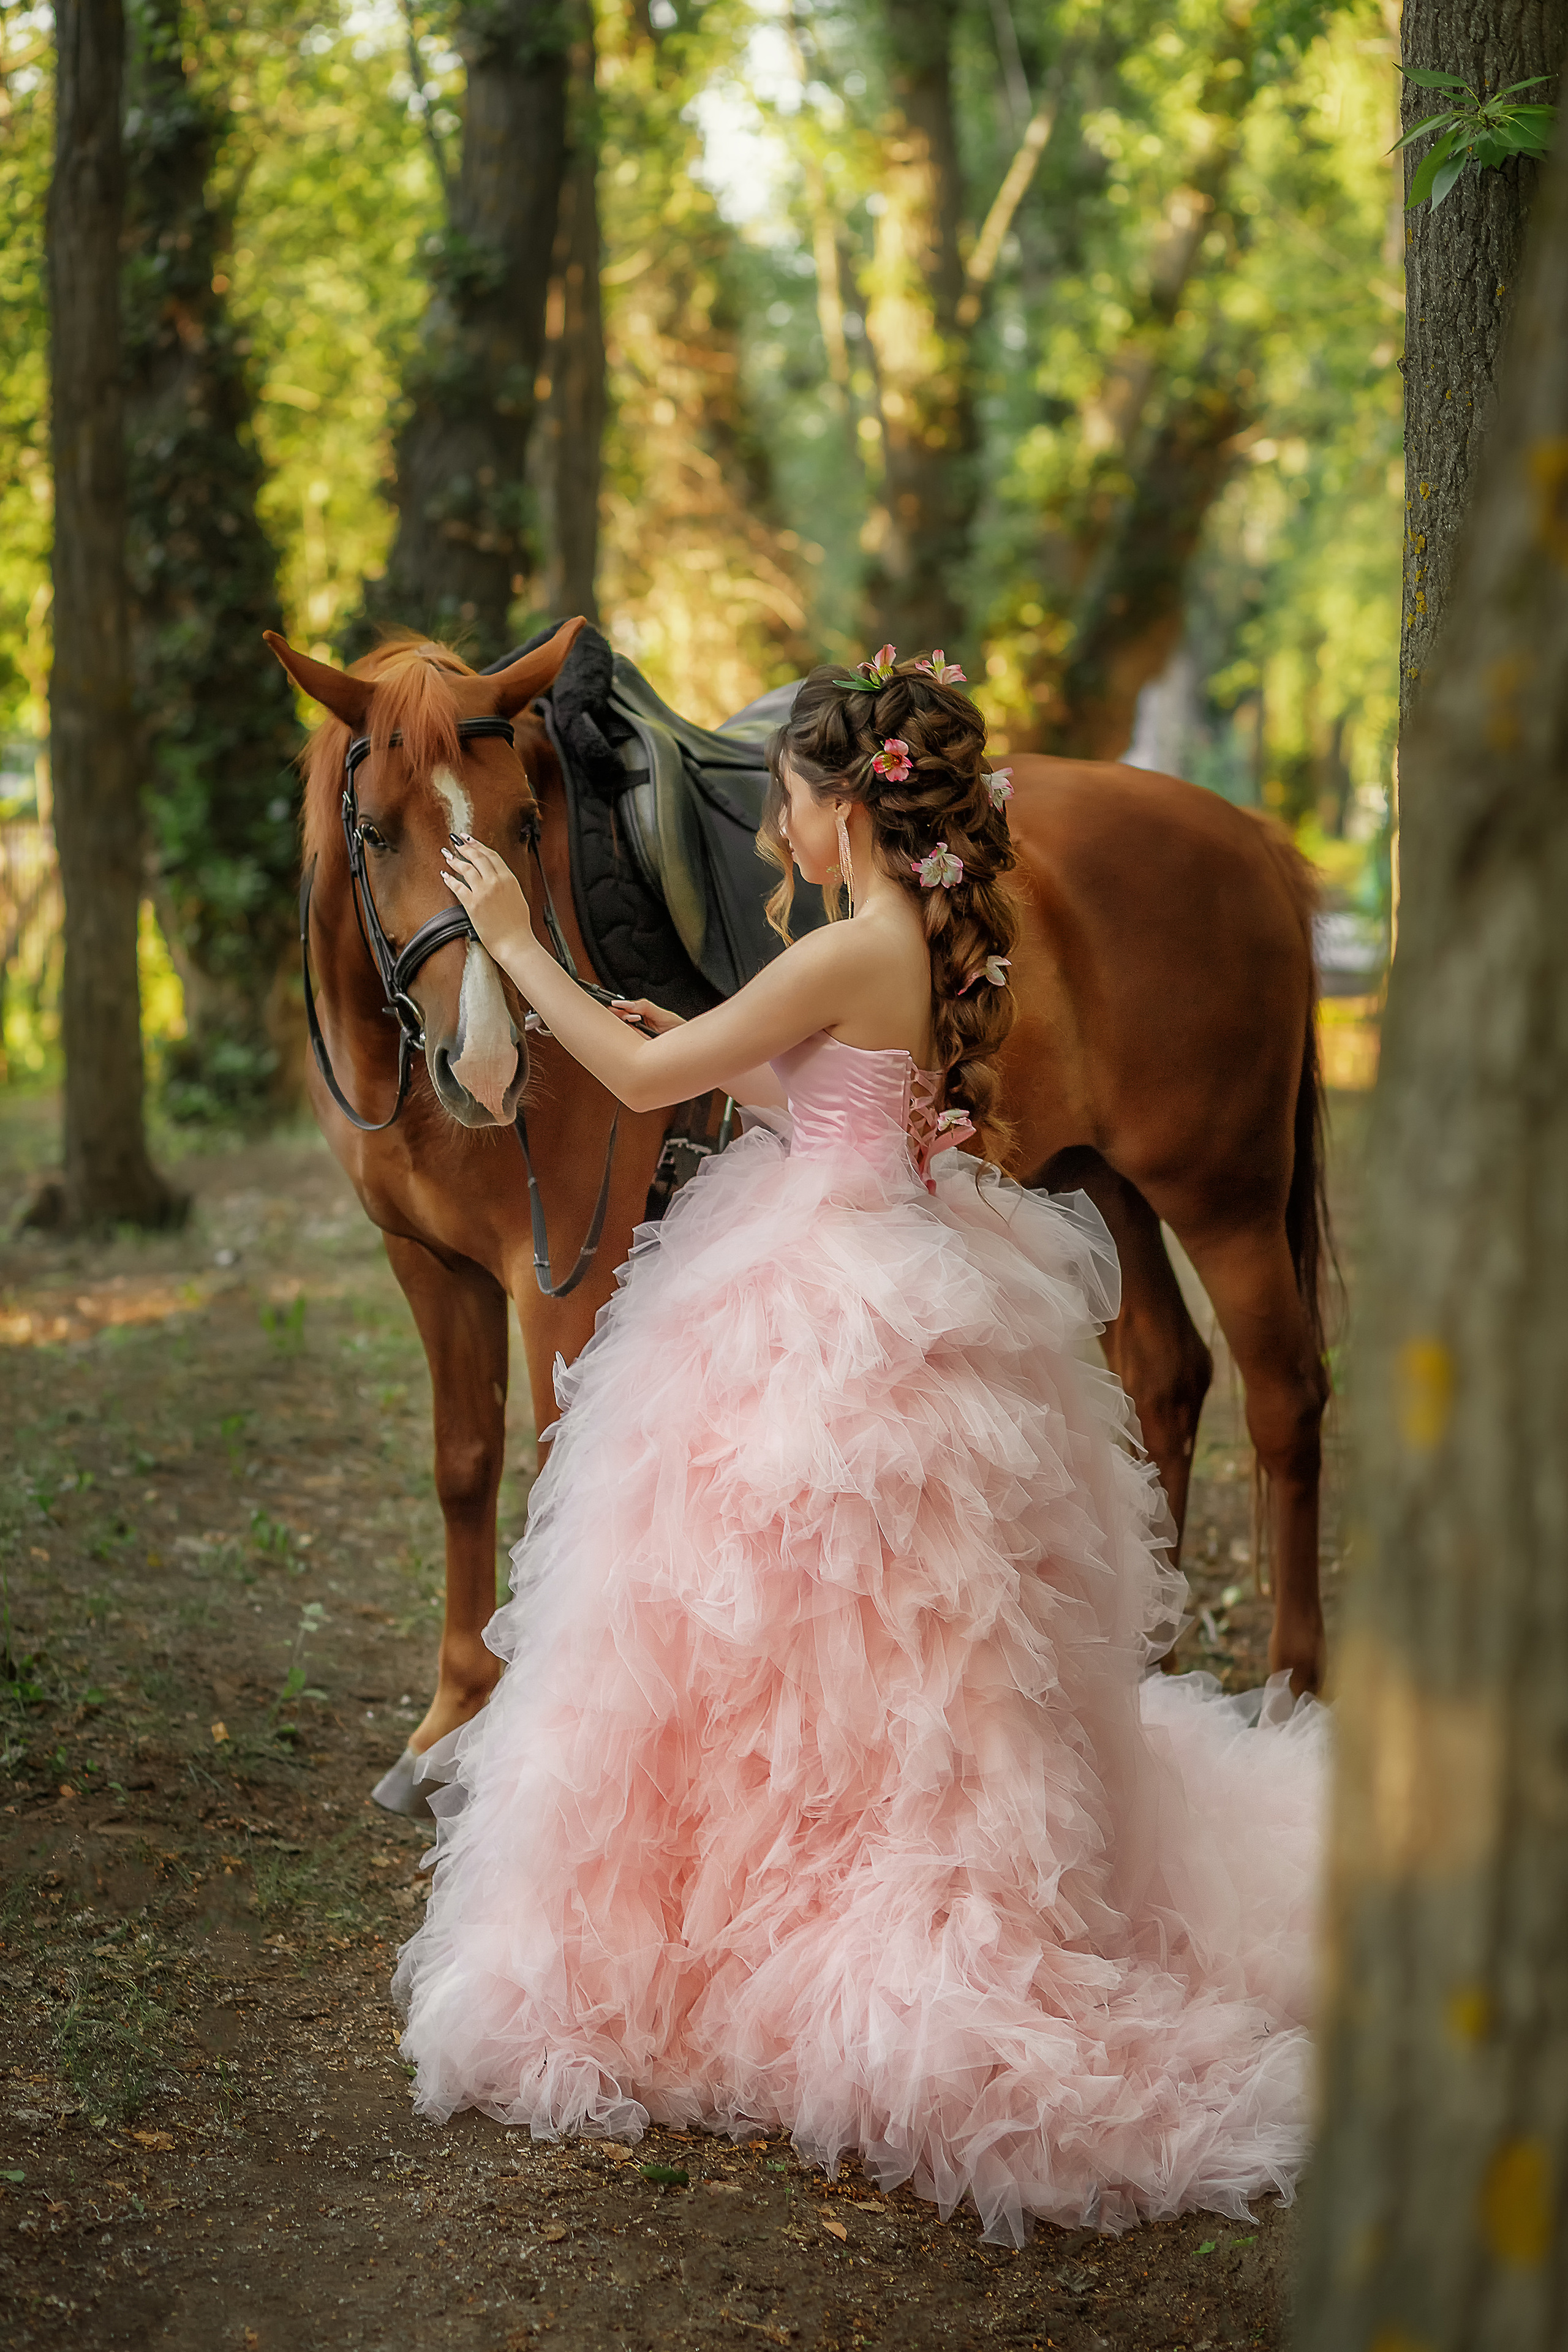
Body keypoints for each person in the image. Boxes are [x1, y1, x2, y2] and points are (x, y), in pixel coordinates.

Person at [395, 650, 1327, 2247]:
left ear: (846, 807)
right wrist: (733, 1054)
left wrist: (512, 945)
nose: (772, 839)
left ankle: (834, 1942)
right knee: (880, 1670)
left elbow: (630, 1081)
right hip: (890, 1256)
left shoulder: (853, 947)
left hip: (825, 1305)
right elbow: (840, 1101)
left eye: (790, 810)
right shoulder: (909, 947)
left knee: (786, 1632)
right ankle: (828, 1893)